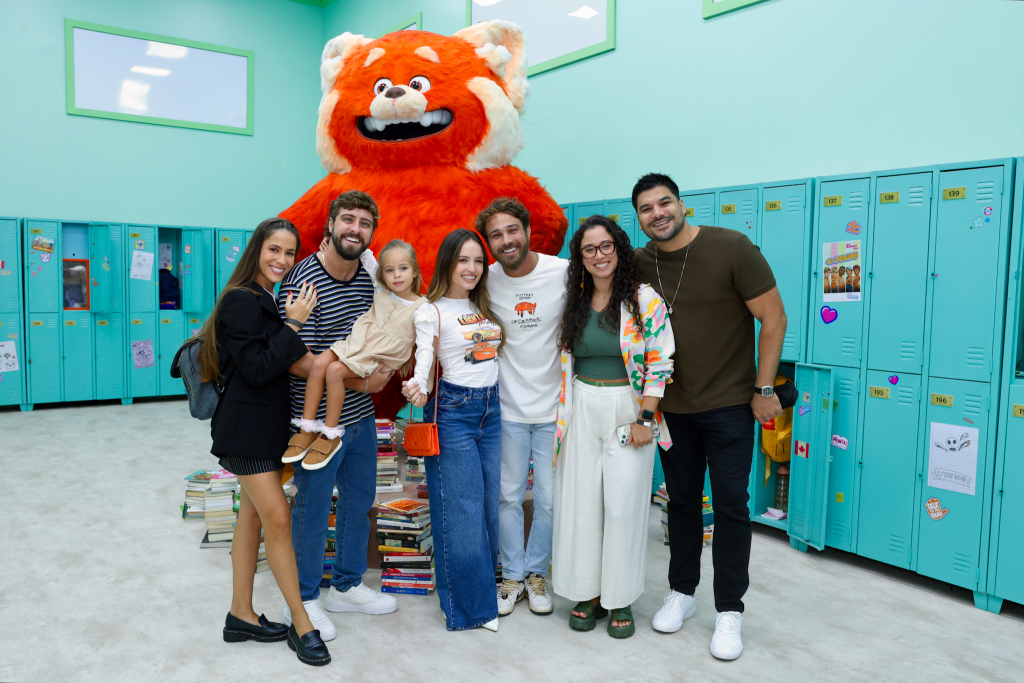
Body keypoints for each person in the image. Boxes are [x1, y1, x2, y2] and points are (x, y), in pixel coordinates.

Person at [633, 172, 786, 661]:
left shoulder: (730, 247)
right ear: (638, 219)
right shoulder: (637, 263)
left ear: (682, 205)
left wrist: (764, 388)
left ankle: (729, 610)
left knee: (730, 507)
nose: (657, 213)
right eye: (646, 209)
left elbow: (774, 317)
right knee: (679, 504)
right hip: (672, 413)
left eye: (664, 203)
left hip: (727, 408)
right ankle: (682, 593)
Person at [200, 217, 331, 666]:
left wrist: (345, 370)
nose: (282, 260)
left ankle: (241, 615)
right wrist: (294, 324)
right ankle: (301, 622)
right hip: (244, 432)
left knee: (252, 520)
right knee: (278, 519)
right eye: (274, 249)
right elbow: (258, 368)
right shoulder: (241, 300)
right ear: (257, 250)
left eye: (290, 252)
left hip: (265, 430)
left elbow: (291, 363)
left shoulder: (268, 301)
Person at [278, 191, 399, 643]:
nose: (355, 228)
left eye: (365, 223)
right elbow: (296, 360)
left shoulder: (371, 278)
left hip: (361, 418)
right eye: (347, 219)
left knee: (358, 501)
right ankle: (305, 597)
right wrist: (364, 383)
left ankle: (346, 586)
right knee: (311, 510)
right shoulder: (301, 281)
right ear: (330, 224)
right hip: (313, 423)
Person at [550, 215, 675, 639]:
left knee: (622, 506)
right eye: (589, 249)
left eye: (606, 247)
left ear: (618, 250)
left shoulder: (643, 300)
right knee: (582, 504)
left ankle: (618, 599)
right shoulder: (576, 300)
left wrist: (646, 417)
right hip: (582, 404)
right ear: (580, 257)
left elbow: (660, 361)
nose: (598, 255)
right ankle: (586, 593)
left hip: (628, 407)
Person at [403, 229, 504, 632]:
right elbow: (425, 354)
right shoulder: (432, 310)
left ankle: (480, 591)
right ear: (447, 262)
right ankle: (468, 608)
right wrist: (419, 383)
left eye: (478, 260)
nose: (472, 268)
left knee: (487, 507)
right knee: (460, 509)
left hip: (492, 411)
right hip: (454, 411)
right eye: (464, 260)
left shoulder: (483, 306)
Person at [475, 197, 567, 617]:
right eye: (496, 234)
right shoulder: (485, 279)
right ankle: (511, 574)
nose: (506, 240)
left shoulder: (563, 272)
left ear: (528, 230)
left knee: (549, 499)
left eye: (512, 230)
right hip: (507, 409)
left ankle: (537, 573)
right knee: (508, 498)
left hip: (554, 410)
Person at [282, 240, 428, 470]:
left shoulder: (423, 308)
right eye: (389, 270)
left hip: (376, 355)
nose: (396, 275)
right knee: (319, 363)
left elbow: (427, 348)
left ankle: (330, 435)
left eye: (403, 268)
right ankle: (306, 430)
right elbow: (367, 256)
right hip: (355, 342)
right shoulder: (381, 290)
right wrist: (331, 239)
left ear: (415, 272)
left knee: (334, 371)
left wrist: (421, 381)